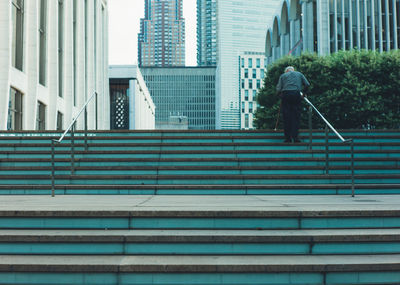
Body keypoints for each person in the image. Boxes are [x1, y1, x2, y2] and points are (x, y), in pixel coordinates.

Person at [276, 66, 310, 143]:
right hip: (296, 94)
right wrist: (304, 94)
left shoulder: (283, 76)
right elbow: (307, 84)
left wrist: (280, 95)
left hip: (286, 95)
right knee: (296, 116)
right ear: (293, 70)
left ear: (286, 71)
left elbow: (278, 89)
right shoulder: (299, 74)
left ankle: (288, 138)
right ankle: (295, 137)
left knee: (286, 117)